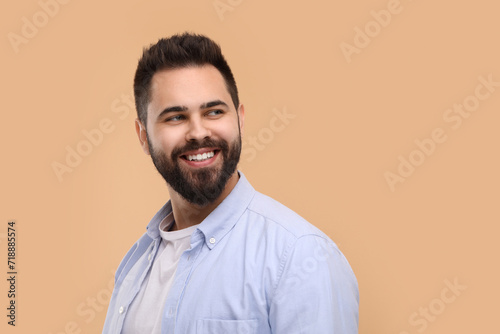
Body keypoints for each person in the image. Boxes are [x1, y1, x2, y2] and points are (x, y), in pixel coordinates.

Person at [103, 32, 359, 334]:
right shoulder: (137, 265)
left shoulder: (300, 257)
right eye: (175, 117)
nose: (198, 133)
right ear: (143, 136)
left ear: (239, 119)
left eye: (214, 112)